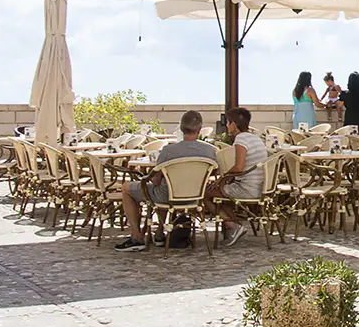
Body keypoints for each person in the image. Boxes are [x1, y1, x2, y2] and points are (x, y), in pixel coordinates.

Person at [115, 110, 216, 252]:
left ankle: (137, 236)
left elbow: (156, 180)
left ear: (181, 128)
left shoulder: (168, 150)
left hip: (166, 196)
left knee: (127, 188)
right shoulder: (210, 151)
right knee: (164, 188)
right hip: (196, 198)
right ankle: (159, 234)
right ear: (199, 130)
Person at [204, 107, 269, 247]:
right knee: (221, 192)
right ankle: (234, 226)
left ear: (234, 124)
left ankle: (233, 226)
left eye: (228, 122)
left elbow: (239, 168)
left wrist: (222, 178)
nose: (226, 126)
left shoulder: (241, 139)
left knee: (205, 193)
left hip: (248, 189)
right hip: (261, 187)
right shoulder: (255, 138)